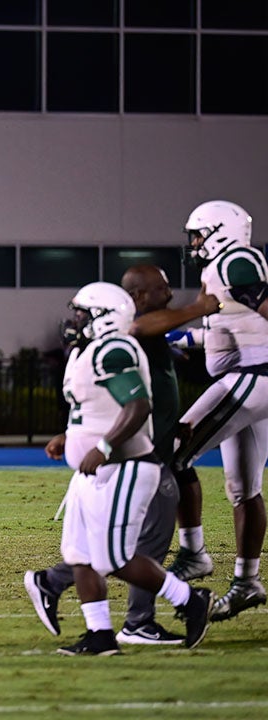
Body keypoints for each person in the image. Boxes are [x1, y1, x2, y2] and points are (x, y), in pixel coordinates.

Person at [24, 265, 221, 645]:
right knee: (80, 554)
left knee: (112, 557)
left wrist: (102, 447)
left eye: (83, 314)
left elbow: (137, 406)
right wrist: (71, 436)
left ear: (105, 317)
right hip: (95, 470)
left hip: (125, 465)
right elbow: (100, 407)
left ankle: (189, 600)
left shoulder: (115, 346)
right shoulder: (88, 350)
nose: (75, 320)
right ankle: (99, 634)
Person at [169, 200, 268, 622]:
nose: (193, 244)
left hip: (256, 376)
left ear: (220, 231)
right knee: (244, 488)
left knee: (174, 450)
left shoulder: (236, 261)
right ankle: (247, 583)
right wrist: (175, 338)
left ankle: (193, 553)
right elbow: (224, 332)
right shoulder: (223, 269)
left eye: (198, 234)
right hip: (252, 377)